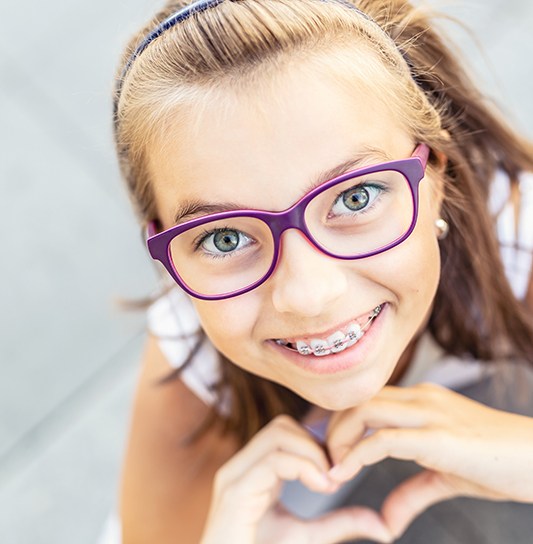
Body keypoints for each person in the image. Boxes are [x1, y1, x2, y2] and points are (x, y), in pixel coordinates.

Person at [110, 1, 533, 542]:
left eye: (356, 197)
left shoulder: (513, 229)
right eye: (226, 238)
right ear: (164, 249)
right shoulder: (192, 350)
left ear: (434, 177)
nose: (309, 295)